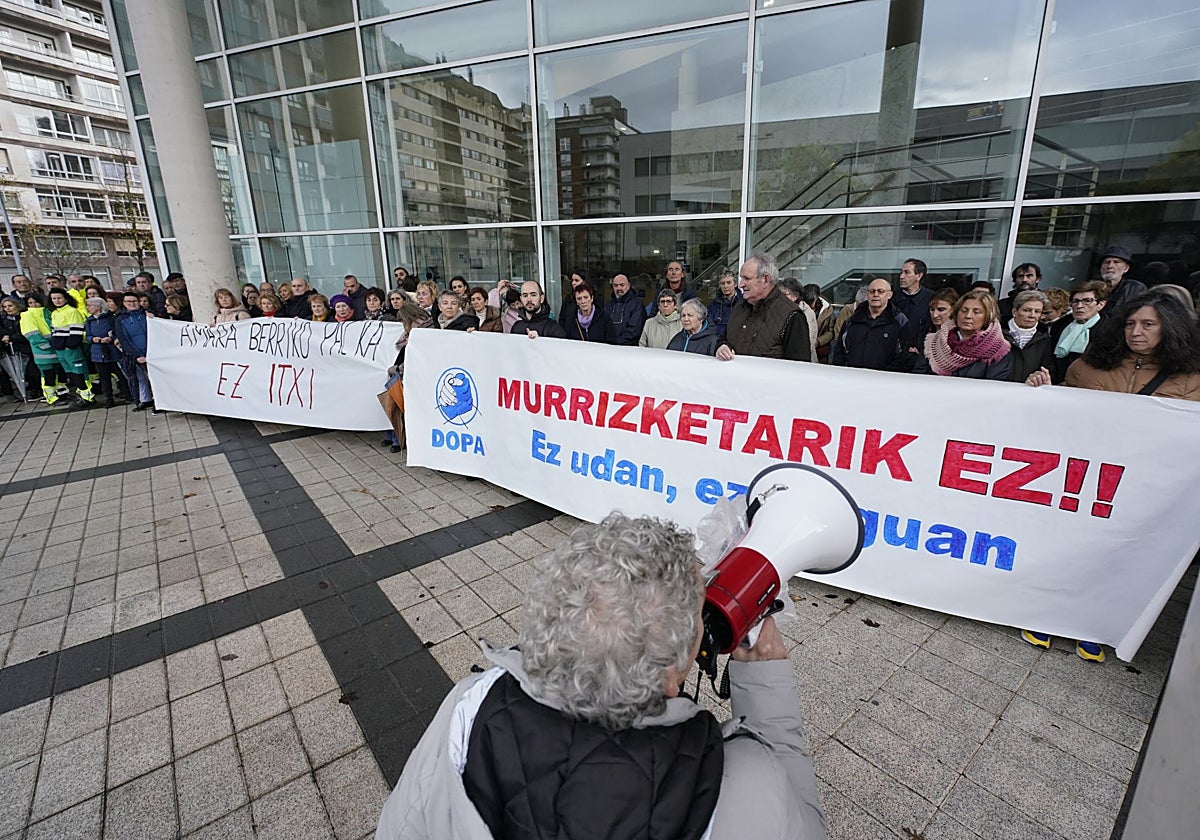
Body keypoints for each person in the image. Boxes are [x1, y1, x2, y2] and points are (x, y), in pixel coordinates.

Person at [375, 513, 826, 840]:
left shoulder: (469, 708)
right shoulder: (746, 781)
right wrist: (768, 713)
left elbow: (403, 825)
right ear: (671, 681)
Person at [1022, 293, 1200, 662]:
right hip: (1084, 477)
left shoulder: (1191, 378)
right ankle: (1047, 613)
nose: (1136, 332)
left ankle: (1095, 624)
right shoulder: (1090, 366)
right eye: (1130, 323)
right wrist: (1043, 395)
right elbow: (1062, 419)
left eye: (1148, 324)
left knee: (1121, 552)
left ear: (1171, 328)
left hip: (1146, 485)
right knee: (1069, 545)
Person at [716, 252, 812, 362]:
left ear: (766, 280)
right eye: (741, 278)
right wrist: (722, 346)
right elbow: (724, 338)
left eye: (746, 278)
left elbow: (799, 368)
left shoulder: (792, 316)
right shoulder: (740, 306)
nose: (741, 284)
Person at [913, 290, 1012, 380]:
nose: (968, 316)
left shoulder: (998, 349)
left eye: (976, 312)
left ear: (987, 316)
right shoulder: (934, 342)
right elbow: (919, 376)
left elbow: (993, 387)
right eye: (964, 310)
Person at [829, 277, 908, 371]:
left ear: (889, 295)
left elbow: (904, 355)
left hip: (885, 379)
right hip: (852, 377)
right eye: (872, 291)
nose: (875, 294)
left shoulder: (899, 321)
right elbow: (840, 351)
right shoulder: (852, 320)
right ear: (867, 295)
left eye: (880, 291)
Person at [1047, 280, 1107, 383]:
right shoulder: (1060, 325)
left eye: (1087, 301)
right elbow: (1050, 358)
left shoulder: (1108, 329)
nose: (1079, 306)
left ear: (1100, 304)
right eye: (1076, 301)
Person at [114, 291, 157, 412]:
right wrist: (135, 355)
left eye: (134, 301)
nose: (132, 304)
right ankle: (145, 399)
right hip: (136, 354)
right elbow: (123, 338)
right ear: (124, 303)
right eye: (129, 302)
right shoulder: (120, 319)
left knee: (153, 378)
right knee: (141, 378)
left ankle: (158, 401)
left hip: (151, 352)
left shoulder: (146, 314)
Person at [1004, 290, 1054, 383]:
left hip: (1029, 391)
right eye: (1027, 310)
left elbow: (1048, 369)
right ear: (1014, 311)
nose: (1032, 315)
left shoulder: (1046, 338)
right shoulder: (997, 333)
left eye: (1037, 311)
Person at [84, 296, 124, 408]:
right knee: (104, 377)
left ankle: (127, 394)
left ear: (98, 306)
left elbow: (116, 332)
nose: (88, 308)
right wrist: (93, 339)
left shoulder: (110, 318)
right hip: (97, 352)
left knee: (120, 373)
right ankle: (108, 399)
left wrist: (110, 338)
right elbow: (87, 336)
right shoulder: (89, 320)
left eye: (90, 305)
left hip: (112, 350)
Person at [1, 297, 37, 402]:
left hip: (25, 348)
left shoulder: (23, 317)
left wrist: (11, 337)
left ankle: (35, 390)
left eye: (10, 306)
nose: (8, 309)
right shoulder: (4, 320)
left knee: (31, 370)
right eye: (5, 307)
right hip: (12, 350)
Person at [777, 277, 819, 362]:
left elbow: (809, 341)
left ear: (795, 296)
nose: (780, 298)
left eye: (785, 294)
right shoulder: (779, 309)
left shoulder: (806, 312)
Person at [1096, 245, 1146, 316]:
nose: (1110, 266)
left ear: (1126, 268)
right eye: (1106, 262)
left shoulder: (1135, 289)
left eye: (1116, 262)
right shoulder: (1091, 288)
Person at [894, 258, 932, 340]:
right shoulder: (891, 297)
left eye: (907, 272)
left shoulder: (931, 299)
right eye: (901, 272)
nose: (901, 276)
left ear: (919, 276)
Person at [604, 273, 645, 346]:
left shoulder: (637, 304)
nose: (619, 288)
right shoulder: (608, 304)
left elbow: (634, 331)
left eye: (622, 285)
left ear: (628, 285)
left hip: (629, 348)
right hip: (610, 347)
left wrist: (616, 342)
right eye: (616, 285)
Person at [707, 269, 741, 339]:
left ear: (735, 284)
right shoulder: (713, 305)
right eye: (722, 283)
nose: (725, 286)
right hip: (716, 340)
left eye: (729, 283)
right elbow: (708, 324)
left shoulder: (743, 302)